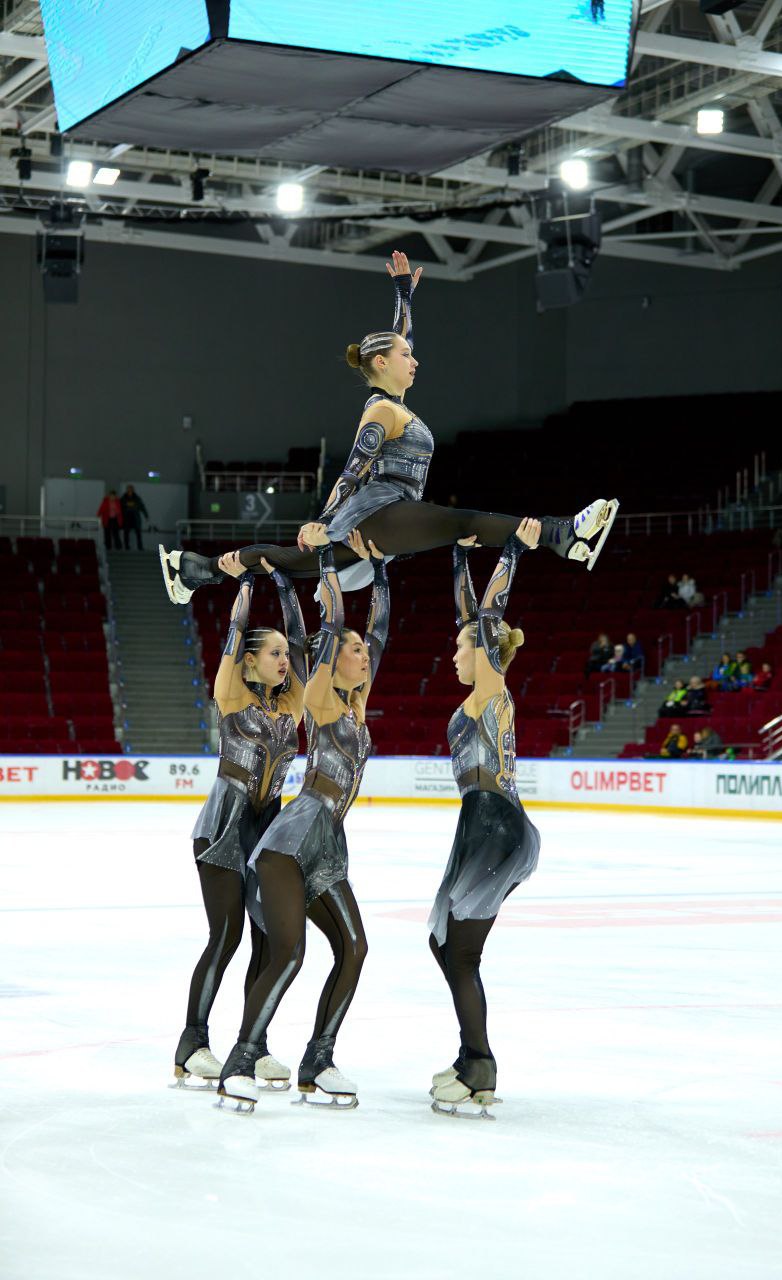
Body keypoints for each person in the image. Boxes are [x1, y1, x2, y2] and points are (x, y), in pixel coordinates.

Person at [159, 251, 619, 605]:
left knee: (290, 561)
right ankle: (560, 534)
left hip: (388, 514)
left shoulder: (393, 403)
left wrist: (404, 294)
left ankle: (196, 570)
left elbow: (400, 338)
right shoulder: (381, 412)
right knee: (462, 522)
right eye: (406, 356)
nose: (415, 360)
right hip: (379, 511)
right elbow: (353, 469)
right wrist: (323, 521)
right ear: (382, 363)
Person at [216, 524, 388, 1114]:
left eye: (363, 650)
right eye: (353, 649)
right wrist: (328, 564)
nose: (364, 654)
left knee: (354, 947)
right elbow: (333, 624)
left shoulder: (357, 703)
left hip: (328, 845)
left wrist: (381, 570)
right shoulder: (318, 697)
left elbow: (379, 632)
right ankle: (241, 1060)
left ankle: (319, 1058)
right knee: (289, 953)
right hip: (289, 844)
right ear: (331, 657)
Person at [173, 555, 307, 1092]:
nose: (284, 660)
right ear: (250, 661)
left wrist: (285, 585)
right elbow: (233, 634)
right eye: (273, 653)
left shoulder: (290, 704)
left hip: (267, 827)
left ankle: (254, 1045)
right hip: (224, 825)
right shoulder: (231, 693)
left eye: (284, 654)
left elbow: (303, 646)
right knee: (225, 936)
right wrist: (247, 582)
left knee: (266, 939)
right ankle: (192, 1043)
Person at [429, 522, 541, 1119]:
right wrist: (457, 560)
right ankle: (470, 1056)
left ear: (485, 653)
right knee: (444, 941)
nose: (454, 654)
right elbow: (471, 619)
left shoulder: (491, 690)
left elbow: (485, 618)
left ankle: (479, 1065)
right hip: (483, 824)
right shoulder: (479, 695)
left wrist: (512, 551)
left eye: (461, 648)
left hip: (496, 824)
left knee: (460, 953)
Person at [121, 484, 149, 550]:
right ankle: (127, 547)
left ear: (133, 490)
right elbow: (120, 507)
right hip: (127, 518)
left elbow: (142, 507)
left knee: (138, 533)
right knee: (126, 533)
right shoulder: (123, 498)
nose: (130, 491)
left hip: (135, 518)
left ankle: (140, 547)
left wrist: (146, 515)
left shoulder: (137, 498)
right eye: (128, 489)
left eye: (131, 489)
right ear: (127, 490)